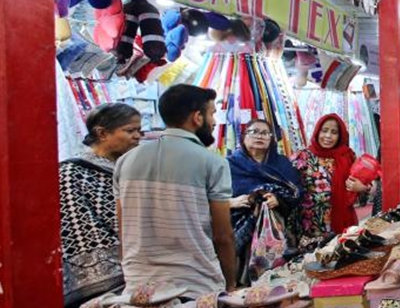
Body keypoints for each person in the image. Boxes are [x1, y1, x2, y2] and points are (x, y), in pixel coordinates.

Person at [114, 85, 237, 296]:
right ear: (197, 117)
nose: (215, 122)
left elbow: (123, 228)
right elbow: (222, 236)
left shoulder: (126, 161)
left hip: (138, 284)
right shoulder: (212, 162)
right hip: (195, 284)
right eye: (212, 114)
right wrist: (231, 283)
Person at [59, 103, 143, 308]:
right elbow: (76, 222)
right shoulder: (73, 172)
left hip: (135, 270)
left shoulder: (124, 169)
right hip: (96, 283)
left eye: (139, 130)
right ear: (102, 133)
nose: (138, 136)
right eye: (130, 130)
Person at [228, 119, 304, 272]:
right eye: (254, 132)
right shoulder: (229, 164)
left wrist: (279, 199)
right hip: (239, 223)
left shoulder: (282, 164)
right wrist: (231, 202)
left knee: (274, 272)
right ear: (243, 137)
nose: (259, 136)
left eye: (265, 133)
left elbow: (296, 191)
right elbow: (211, 195)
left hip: (276, 226)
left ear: (271, 139)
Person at [292, 114, 369, 239]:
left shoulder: (348, 156)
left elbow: (364, 186)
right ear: (317, 132)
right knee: (313, 256)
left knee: (341, 253)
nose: (328, 136)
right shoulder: (302, 157)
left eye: (334, 132)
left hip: (342, 218)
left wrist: (362, 188)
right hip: (311, 223)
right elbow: (290, 187)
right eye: (324, 130)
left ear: (340, 136)